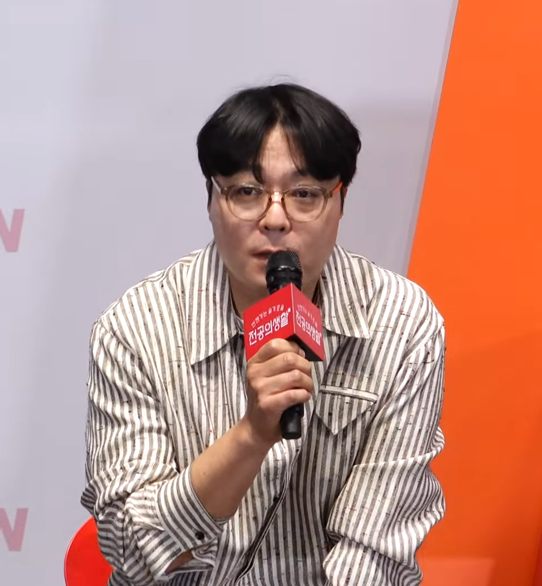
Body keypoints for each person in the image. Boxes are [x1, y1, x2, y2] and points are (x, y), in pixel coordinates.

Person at [81, 83, 445, 586]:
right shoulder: (134, 329)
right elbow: (132, 550)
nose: (275, 219)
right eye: (247, 192)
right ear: (212, 198)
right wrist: (251, 435)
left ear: (341, 201)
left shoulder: (401, 324)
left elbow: (374, 552)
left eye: (304, 194)